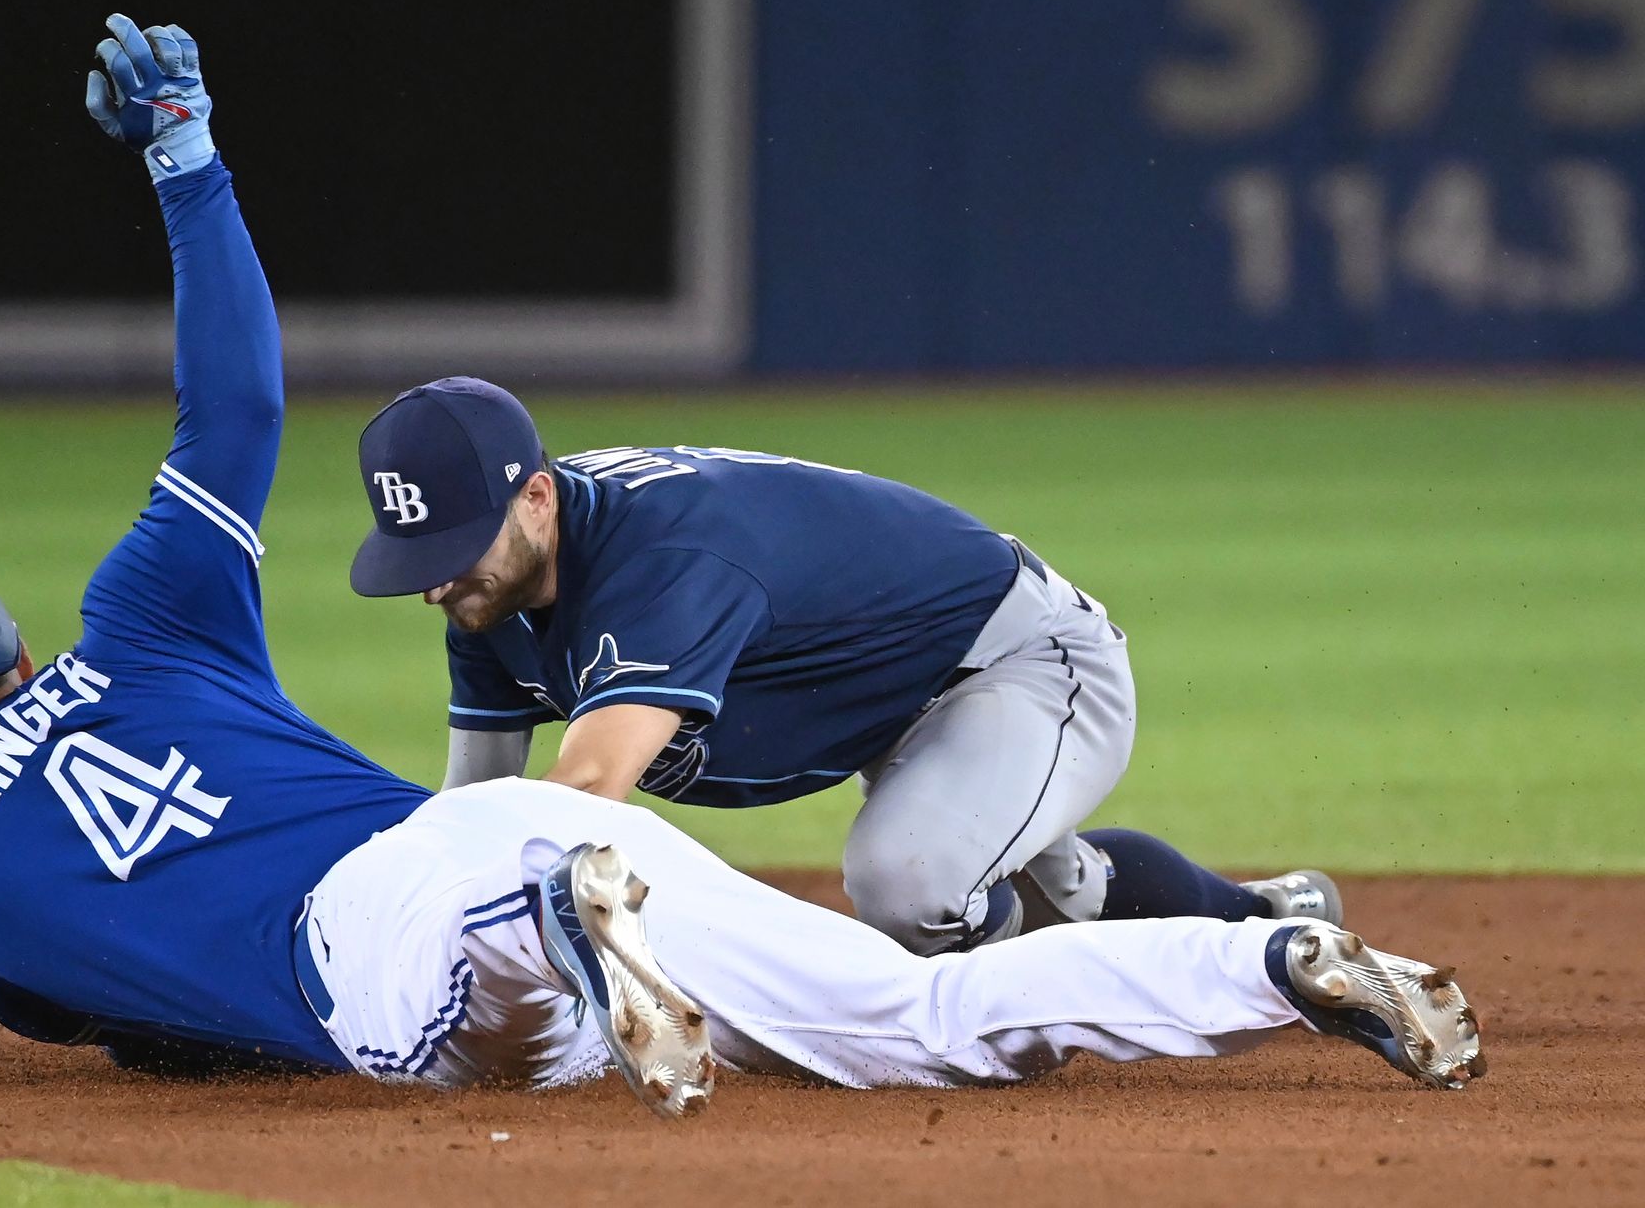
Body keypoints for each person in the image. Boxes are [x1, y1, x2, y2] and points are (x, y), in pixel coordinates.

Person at [0, 15, 1483, 1121]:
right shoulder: (135, 627)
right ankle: (1265, 964)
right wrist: (184, 154)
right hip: (501, 832)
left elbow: (158, 1038)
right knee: (906, 1018)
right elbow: (242, 396)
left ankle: (560, 922)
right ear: (8, 646)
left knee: (506, 1011)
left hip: (427, 922)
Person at [348, 383, 1336, 955]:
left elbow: (585, 795)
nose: (435, 585)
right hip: (882, 691)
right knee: (1058, 893)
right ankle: (1264, 920)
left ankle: (1075, 997)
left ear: (536, 499)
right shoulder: (490, 590)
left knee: (910, 889)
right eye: (418, 555)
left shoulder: (661, 566)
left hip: (1012, 661)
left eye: (454, 546)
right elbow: (473, 814)